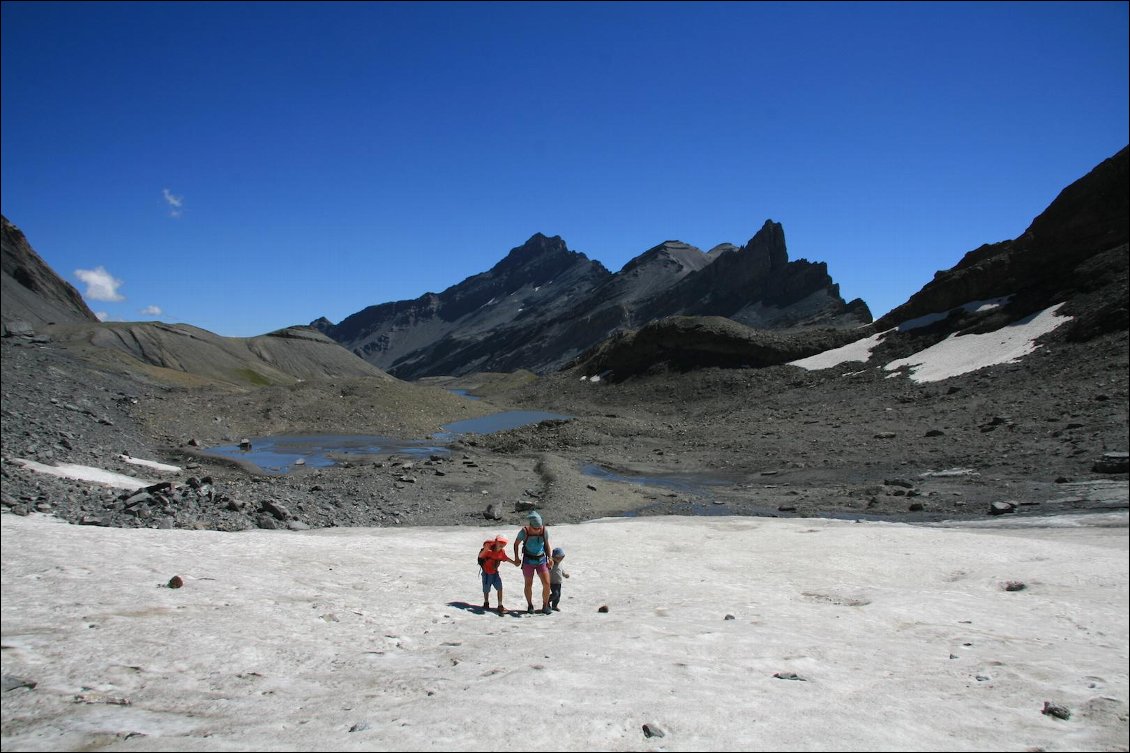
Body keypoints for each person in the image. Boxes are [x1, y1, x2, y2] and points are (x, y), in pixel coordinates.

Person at [513, 510, 552, 614]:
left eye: (539, 528)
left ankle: (545, 605)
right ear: (530, 525)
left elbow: (546, 544)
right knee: (528, 584)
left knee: (547, 583)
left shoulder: (544, 531)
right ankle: (530, 605)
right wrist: (516, 558)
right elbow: (516, 544)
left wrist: (550, 558)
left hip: (541, 559)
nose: (538, 530)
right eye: (535, 528)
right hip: (528, 561)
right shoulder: (524, 532)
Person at [478, 535, 518, 614]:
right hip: (486, 573)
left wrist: (514, 563)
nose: (502, 544)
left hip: (495, 573)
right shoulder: (488, 550)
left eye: (504, 543)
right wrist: (485, 549)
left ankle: (500, 605)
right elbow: (480, 556)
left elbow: (505, 558)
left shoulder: (501, 552)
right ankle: (486, 602)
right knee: (486, 589)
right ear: (496, 541)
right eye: (500, 542)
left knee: (500, 588)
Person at [549, 547, 569, 611]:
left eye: (561, 558)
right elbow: (548, 570)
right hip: (552, 583)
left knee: (558, 596)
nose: (560, 559)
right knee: (555, 594)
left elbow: (561, 570)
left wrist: (565, 574)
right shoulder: (552, 564)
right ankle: (546, 601)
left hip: (559, 583)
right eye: (558, 558)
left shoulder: (559, 564)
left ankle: (554, 606)